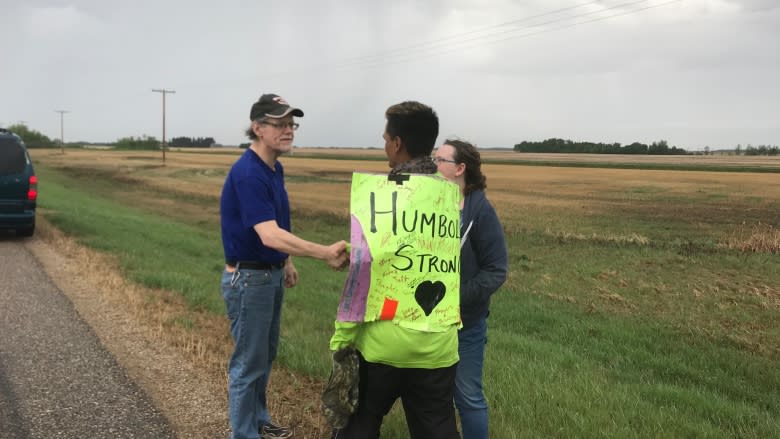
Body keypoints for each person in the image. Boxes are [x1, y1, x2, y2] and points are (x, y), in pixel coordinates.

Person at [329, 101, 461, 439]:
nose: (385, 145)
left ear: (398, 143)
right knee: (437, 426)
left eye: (386, 138)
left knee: (361, 421)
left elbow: (363, 271)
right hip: (438, 346)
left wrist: (343, 337)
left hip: (383, 345)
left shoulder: (379, 196)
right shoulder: (449, 197)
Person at [220, 93, 348, 439]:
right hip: (249, 279)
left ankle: (259, 421)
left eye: (291, 123)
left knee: (265, 355)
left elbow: (277, 224)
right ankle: (244, 434)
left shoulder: (273, 168)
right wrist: (322, 252)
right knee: (248, 363)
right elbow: (270, 234)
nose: (288, 130)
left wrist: (287, 262)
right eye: (279, 124)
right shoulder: (248, 173)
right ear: (258, 128)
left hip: (267, 275)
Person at [434, 139, 508, 439]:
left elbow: (496, 270)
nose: (433, 165)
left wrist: (455, 297)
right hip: (427, 320)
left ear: (460, 169)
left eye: (440, 160)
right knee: (432, 397)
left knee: (467, 397)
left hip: (465, 324)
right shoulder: (430, 202)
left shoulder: (481, 212)